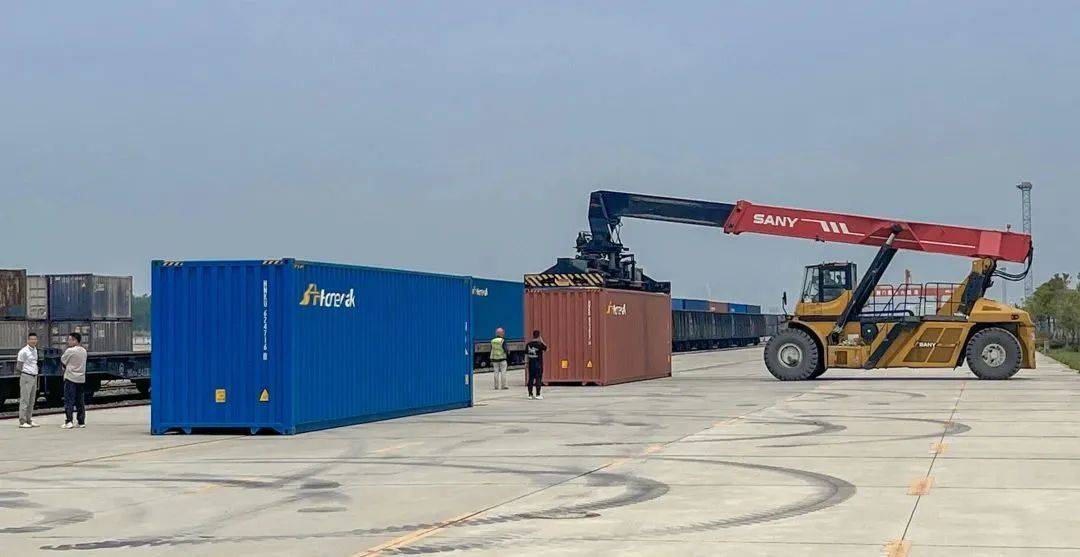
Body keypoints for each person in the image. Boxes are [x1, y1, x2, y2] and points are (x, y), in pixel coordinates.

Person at [60, 332, 89, 429]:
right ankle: (81, 421)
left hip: (71, 378)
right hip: (81, 378)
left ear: (75, 340)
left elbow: (63, 361)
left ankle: (69, 421)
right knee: (80, 401)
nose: (68, 342)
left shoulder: (70, 351)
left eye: (70, 339)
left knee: (69, 400)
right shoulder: (84, 351)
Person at [16, 332, 40, 428]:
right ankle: (22, 421)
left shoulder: (35, 350)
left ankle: (29, 419)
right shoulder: (23, 351)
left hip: (34, 376)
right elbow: (19, 366)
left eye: (35, 339)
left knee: (31, 400)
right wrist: (26, 372)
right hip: (26, 376)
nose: (33, 341)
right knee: (25, 400)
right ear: (28, 340)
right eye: (32, 339)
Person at [525, 330, 548, 400]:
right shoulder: (540, 344)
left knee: (531, 379)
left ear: (533, 335)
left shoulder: (528, 344)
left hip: (531, 364)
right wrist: (541, 340)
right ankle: (538, 394)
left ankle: (530, 394)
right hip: (538, 364)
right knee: (538, 379)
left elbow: (526, 355)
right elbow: (546, 348)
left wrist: (526, 363)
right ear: (539, 336)